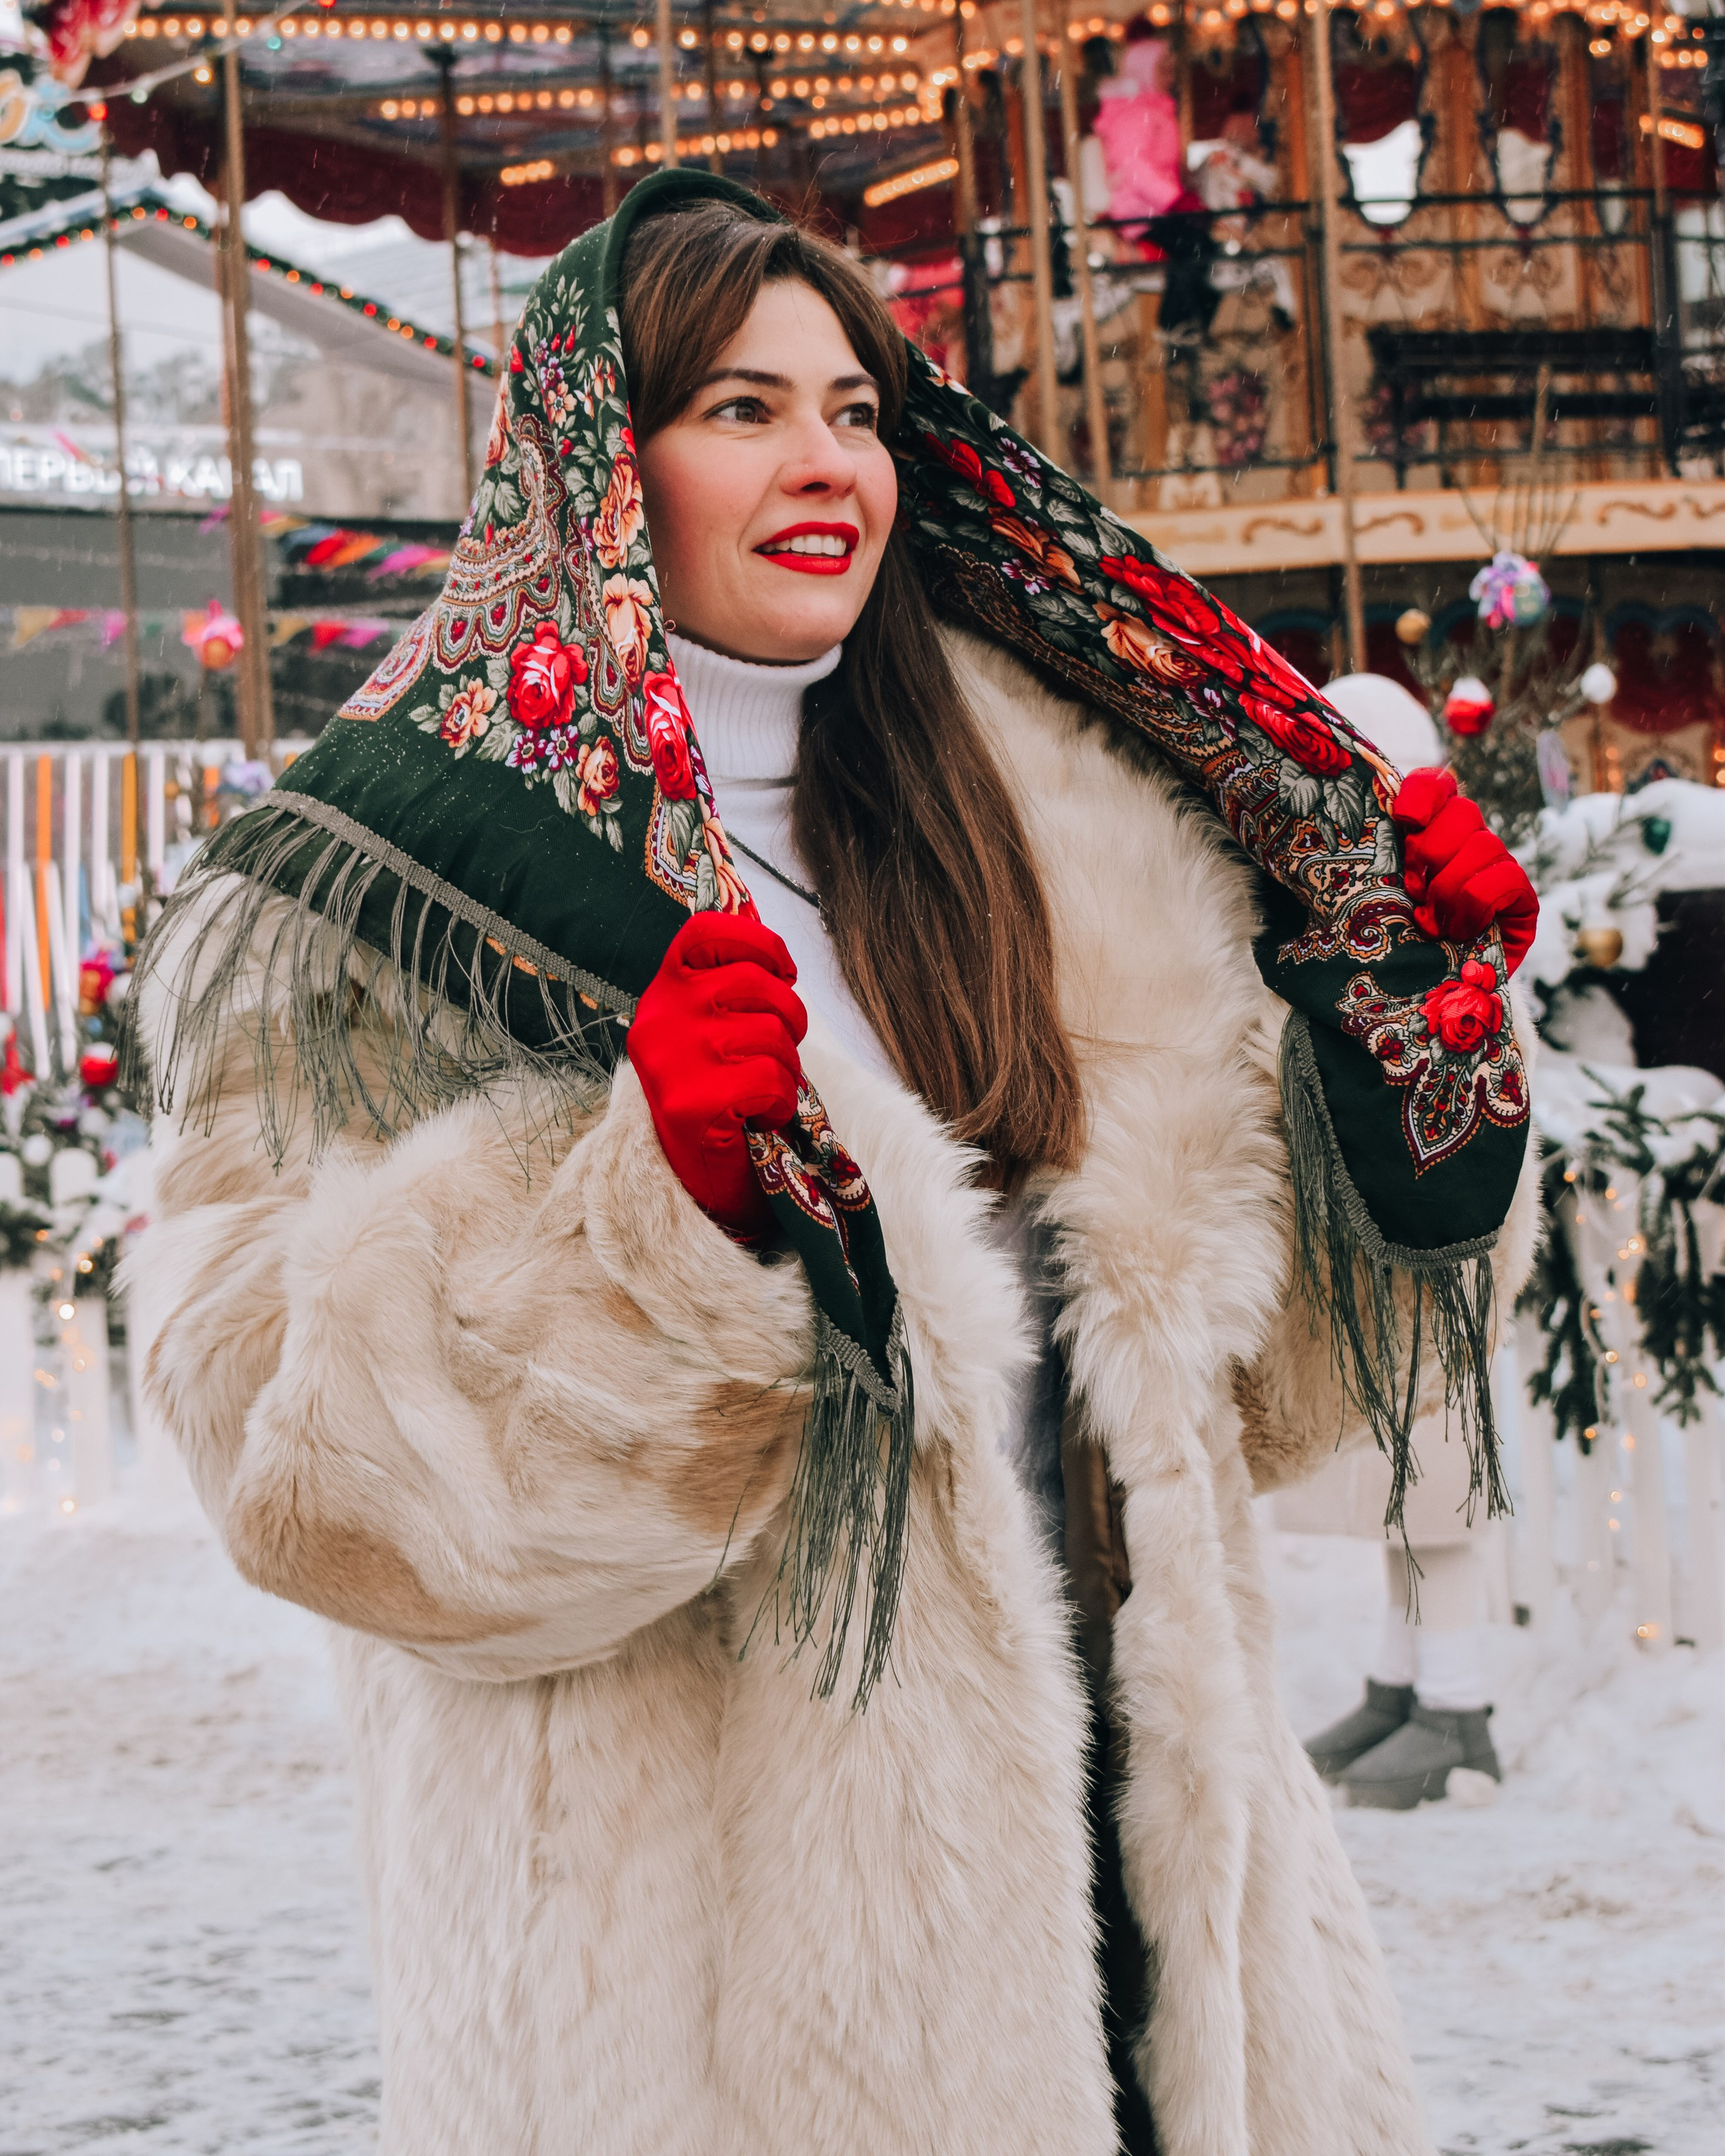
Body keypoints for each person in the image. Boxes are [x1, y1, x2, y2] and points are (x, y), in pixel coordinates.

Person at [129, 175, 1540, 2156]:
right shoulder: (394, 905)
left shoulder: (1069, 836)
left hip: (1154, 1963)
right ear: (601, 463)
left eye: (860, 408)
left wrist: (1387, 1041)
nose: (828, 462)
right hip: (703, 2017)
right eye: (742, 408)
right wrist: (655, 1240)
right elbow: (310, 1491)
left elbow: (1253, 1410)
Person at [1287, 673, 1530, 1809]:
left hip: (1445, 1253)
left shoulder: (1453, 910)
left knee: (1436, 1494)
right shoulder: (1392, 901)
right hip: (1405, 1248)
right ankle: (1400, 1685)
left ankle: (1458, 1707)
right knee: (1401, 1487)